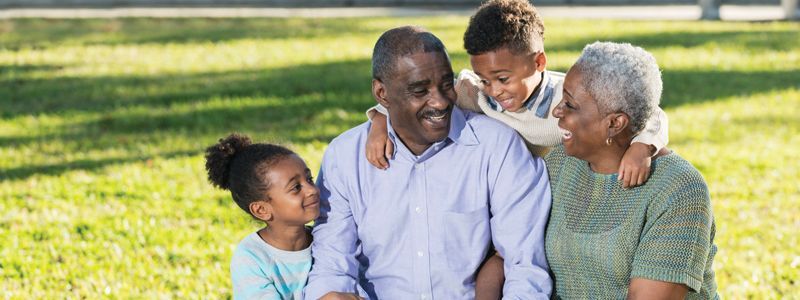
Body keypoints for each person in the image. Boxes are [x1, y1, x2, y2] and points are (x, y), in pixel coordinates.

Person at [304, 26, 553, 299]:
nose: (440, 101)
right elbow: (332, 263)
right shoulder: (345, 157)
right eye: (420, 90)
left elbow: (525, 265)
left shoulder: (496, 146)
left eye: (447, 84)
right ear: (382, 93)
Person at [480, 42, 720, 299]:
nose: (557, 110)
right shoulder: (560, 164)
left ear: (615, 123)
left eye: (570, 105)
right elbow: (507, 257)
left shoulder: (678, 190)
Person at [365, 0, 669, 188]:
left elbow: (652, 113)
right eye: (486, 79)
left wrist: (642, 148)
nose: (495, 91)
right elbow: (420, 99)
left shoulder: (570, 96)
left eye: (503, 79)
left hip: (564, 183)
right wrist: (380, 122)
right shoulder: (477, 92)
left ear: (538, 63)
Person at [205, 133, 320, 300]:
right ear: (261, 210)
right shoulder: (251, 258)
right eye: (296, 187)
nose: (312, 190)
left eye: (309, 179)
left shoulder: (325, 238)